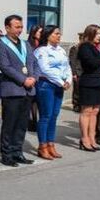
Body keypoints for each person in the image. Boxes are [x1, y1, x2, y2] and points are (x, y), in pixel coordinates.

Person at [0, 15, 40, 167]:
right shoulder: (1, 45)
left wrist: (34, 77)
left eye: (21, 27)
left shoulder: (25, 44)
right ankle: (7, 154)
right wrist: (23, 79)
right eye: (16, 27)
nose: (20, 30)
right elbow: (5, 67)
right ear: (7, 28)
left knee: (21, 124)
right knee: (10, 124)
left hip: (28, 90)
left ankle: (17, 152)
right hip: (13, 90)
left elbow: (34, 62)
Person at [34, 25, 72, 159]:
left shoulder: (61, 50)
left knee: (54, 116)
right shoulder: (41, 50)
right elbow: (45, 69)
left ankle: (51, 144)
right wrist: (61, 82)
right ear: (48, 35)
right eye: (56, 34)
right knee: (46, 116)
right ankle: (42, 146)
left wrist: (68, 80)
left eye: (59, 34)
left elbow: (67, 67)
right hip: (46, 85)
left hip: (59, 85)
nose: (59, 36)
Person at [78, 24, 100, 151]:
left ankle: (92, 137)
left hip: (98, 82)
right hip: (88, 83)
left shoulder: (96, 47)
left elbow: (99, 65)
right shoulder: (85, 47)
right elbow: (91, 63)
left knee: (95, 111)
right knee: (86, 111)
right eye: (97, 34)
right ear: (90, 34)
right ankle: (84, 138)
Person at [27, 24, 43, 132]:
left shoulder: (43, 45)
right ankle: (29, 120)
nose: (41, 34)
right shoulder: (29, 45)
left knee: (38, 100)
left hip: (41, 75)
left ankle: (35, 119)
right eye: (39, 32)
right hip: (31, 74)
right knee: (31, 100)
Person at [68, 32, 84, 113]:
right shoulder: (75, 48)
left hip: (84, 72)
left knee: (83, 90)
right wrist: (73, 73)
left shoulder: (85, 48)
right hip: (77, 71)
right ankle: (76, 105)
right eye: (82, 38)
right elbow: (72, 61)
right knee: (77, 90)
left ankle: (82, 104)